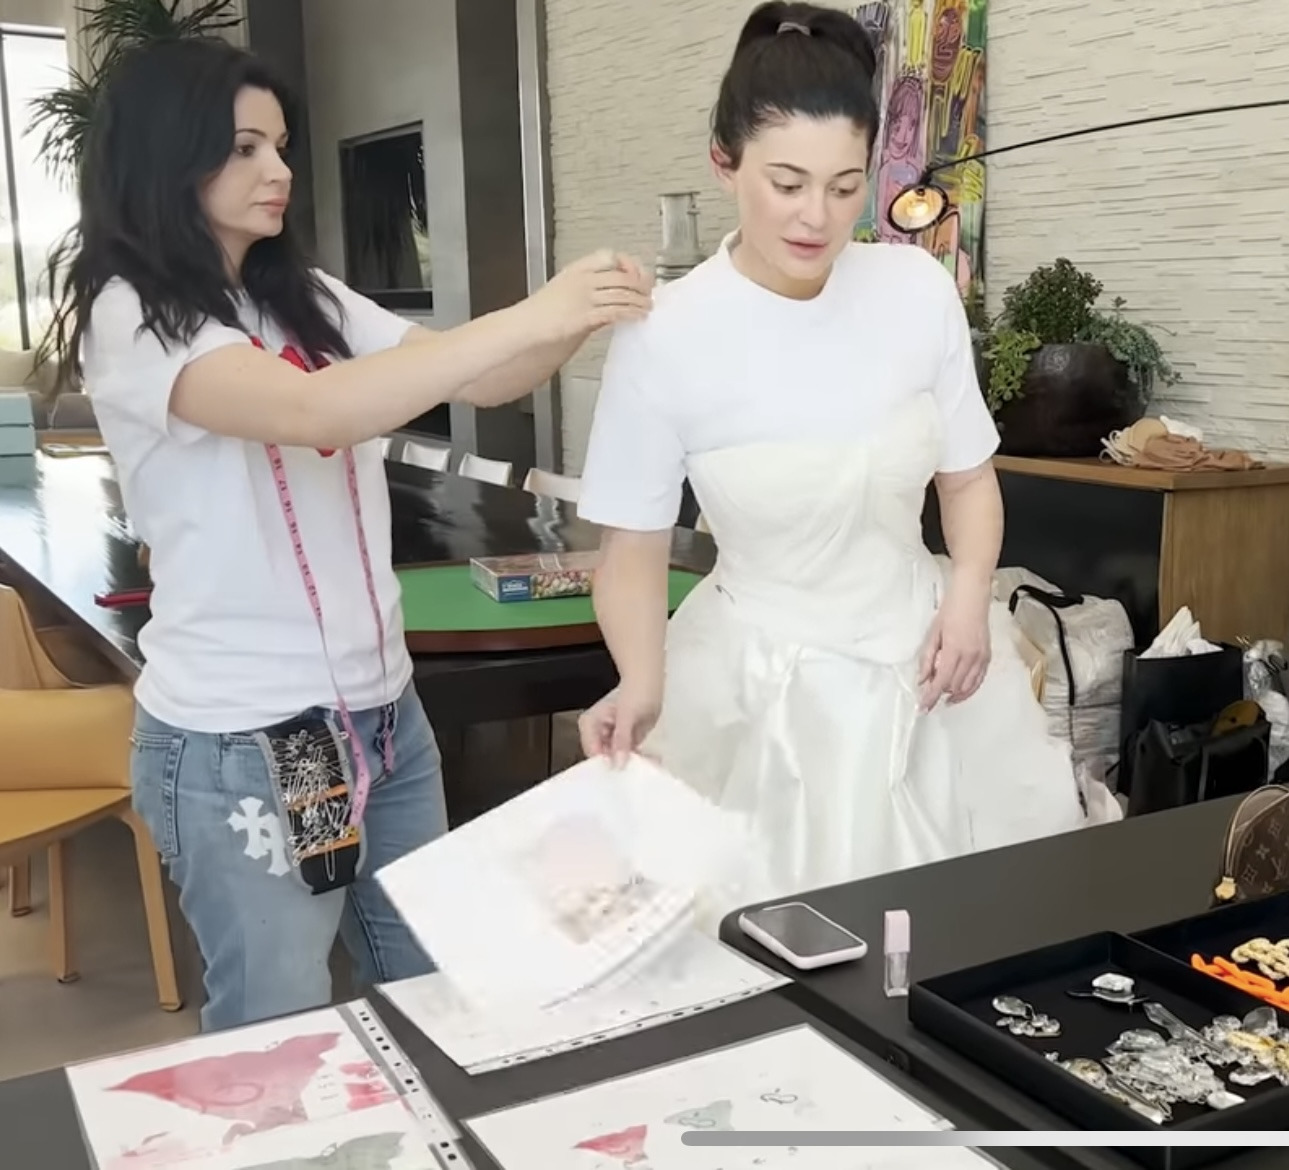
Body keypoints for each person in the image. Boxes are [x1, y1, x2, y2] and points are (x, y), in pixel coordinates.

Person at [39, 37, 652, 1032]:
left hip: (383, 721)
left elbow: (483, 375)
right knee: (281, 1024)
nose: (278, 170)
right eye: (245, 148)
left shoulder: (306, 297)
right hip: (252, 737)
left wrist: (575, 314)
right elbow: (316, 412)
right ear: (168, 158)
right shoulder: (135, 317)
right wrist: (534, 312)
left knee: (430, 996)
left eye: (280, 146)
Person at [576, 2, 1086, 910]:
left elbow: (968, 479)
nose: (817, 217)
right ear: (724, 163)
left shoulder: (914, 290)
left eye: (846, 186)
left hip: (928, 662)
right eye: (787, 183)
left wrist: (968, 600)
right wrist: (641, 682)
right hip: (757, 680)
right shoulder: (666, 335)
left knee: (977, 928)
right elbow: (631, 550)